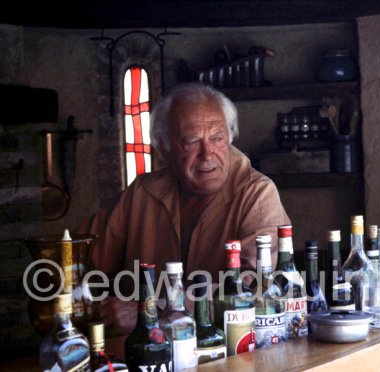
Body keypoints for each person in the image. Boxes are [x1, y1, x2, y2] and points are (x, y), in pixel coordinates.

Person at [78, 83, 290, 336]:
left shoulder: (257, 193)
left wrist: (150, 311)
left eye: (218, 138)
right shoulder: (142, 194)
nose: (207, 154)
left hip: (226, 353)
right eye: (191, 141)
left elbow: (252, 289)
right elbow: (79, 259)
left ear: (230, 137)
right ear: (164, 149)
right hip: (147, 354)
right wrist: (93, 303)